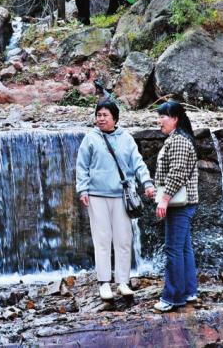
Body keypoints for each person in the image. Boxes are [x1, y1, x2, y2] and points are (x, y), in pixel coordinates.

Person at [76, 100, 155, 301]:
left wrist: (147, 183)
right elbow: (82, 166)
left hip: (121, 196)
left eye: (105, 115)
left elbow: (138, 164)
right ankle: (104, 283)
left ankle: (122, 282)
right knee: (102, 240)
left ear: (115, 118)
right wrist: (82, 189)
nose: (101, 119)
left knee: (123, 239)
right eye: (99, 115)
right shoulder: (90, 138)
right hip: (97, 195)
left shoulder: (126, 138)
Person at [153, 100, 200, 313]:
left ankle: (172, 297)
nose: (159, 121)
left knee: (173, 249)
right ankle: (189, 291)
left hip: (179, 204)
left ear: (175, 119)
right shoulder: (178, 138)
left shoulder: (179, 140)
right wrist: (156, 190)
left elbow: (178, 172)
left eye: (162, 116)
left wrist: (164, 199)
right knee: (183, 249)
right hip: (183, 202)